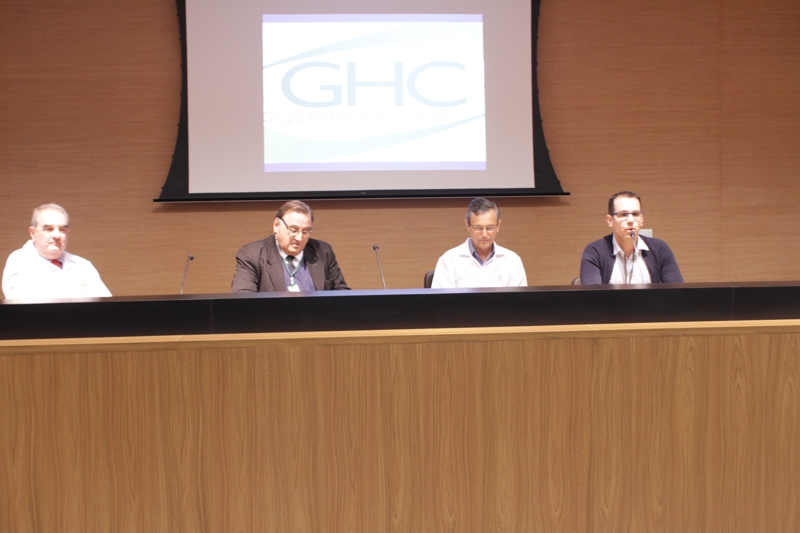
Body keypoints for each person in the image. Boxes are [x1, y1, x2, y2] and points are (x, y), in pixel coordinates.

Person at [232, 200, 349, 292]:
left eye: (305, 231)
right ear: (276, 225)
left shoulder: (323, 251)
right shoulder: (252, 255)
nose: (299, 238)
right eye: (293, 230)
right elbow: (244, 300)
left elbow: (342, 295)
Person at [2, 204, 112, 299]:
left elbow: (107, 306)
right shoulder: (19, 261)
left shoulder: (83, 266)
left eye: (62, 229)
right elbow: (25, 308)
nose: (57, 235)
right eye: (48, 229)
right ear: (33, 233)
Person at [580, 191, 683, 284]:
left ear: (641, 220)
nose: (630, 220)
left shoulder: (659, 248)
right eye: (623, 214)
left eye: (635, 214)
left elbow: (677, 291)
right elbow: (592, 294)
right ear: (610, 221)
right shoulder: (595, 251)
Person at [431, 197, 527, 288]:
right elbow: (440, 299)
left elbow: (519, 299)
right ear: (468, 226)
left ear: (498, 226)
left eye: (490, 227)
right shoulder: (449, 260)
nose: (484, 234)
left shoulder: (512, 260)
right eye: (478, 228)